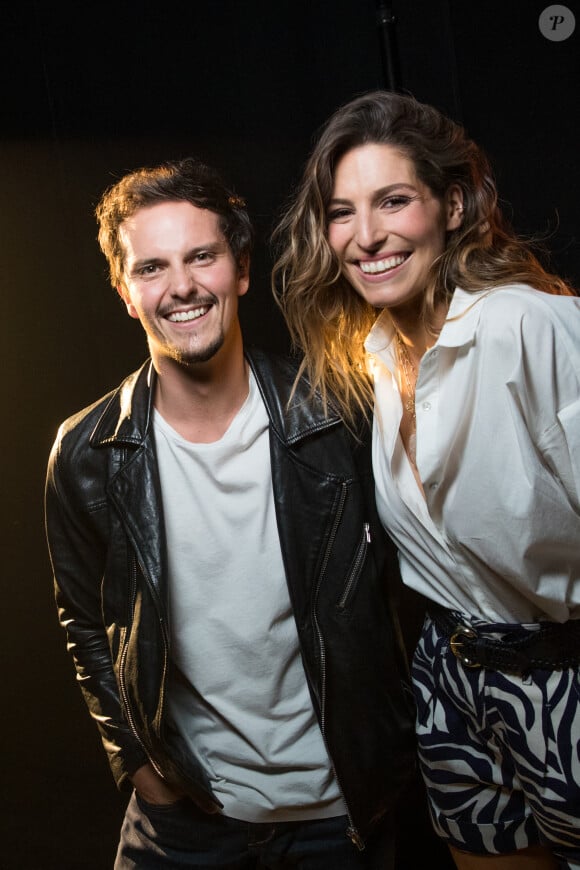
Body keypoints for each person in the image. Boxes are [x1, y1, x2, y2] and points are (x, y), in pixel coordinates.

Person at [45, 157, 416, 869]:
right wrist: (145, 775)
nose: (181, 285)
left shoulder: (339, 416)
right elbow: (84, 621)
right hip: (185, 824)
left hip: (339, 820)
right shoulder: (87, 452)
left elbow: (408, 588)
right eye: (151, 268)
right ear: (125, 291)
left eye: (201, 257)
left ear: (240, 269)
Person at [272, 91, 580, 870]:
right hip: (451, 677)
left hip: (563, 677)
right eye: (342, 212)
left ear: (453, 204)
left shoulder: (529, 326)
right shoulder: (374, 355)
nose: (366, 236)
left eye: (393, 201)